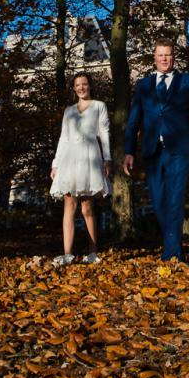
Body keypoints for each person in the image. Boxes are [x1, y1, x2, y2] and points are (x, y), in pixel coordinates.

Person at [123, 41, 189, 262]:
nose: (164, 59)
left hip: (179, 150)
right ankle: (174, 247)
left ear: (174, 57)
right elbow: (134, 120)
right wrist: (129, 151)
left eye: (168, 55)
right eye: (160, 55)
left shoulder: (187, 82)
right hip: (152, 150)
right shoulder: (144, 85)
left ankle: (172, 254)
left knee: (175, 198)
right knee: (158, 200)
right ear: (154, 57)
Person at [50, 71, 111, 267]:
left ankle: (92, 252)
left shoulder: (99, 106)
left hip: (90, 158)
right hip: (69, 159)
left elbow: (104, 133)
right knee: (69, 205)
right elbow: (63, 138)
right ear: (74, 88)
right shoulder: (69, 111)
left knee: (87, 207)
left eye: (84, 84)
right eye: (78, 85)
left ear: (90, 86)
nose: (81, 87)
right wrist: (55, 164)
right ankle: (67, 253)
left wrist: (107, 159)